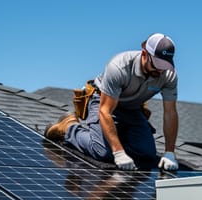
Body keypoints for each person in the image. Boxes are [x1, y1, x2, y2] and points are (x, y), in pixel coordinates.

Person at [44, 33, 180, 172]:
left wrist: (170, 152)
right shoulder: (120, 67)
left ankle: (115, 137)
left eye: (165, 65)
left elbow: (170, 113)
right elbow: (105, 111)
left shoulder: (168, 75)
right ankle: (69, 127)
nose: (160, 70)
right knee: (103, 152)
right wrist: (118, 152)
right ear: (145, 54)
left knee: (147, 154)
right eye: (157, 64)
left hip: (132, 109)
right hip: (103, 102)